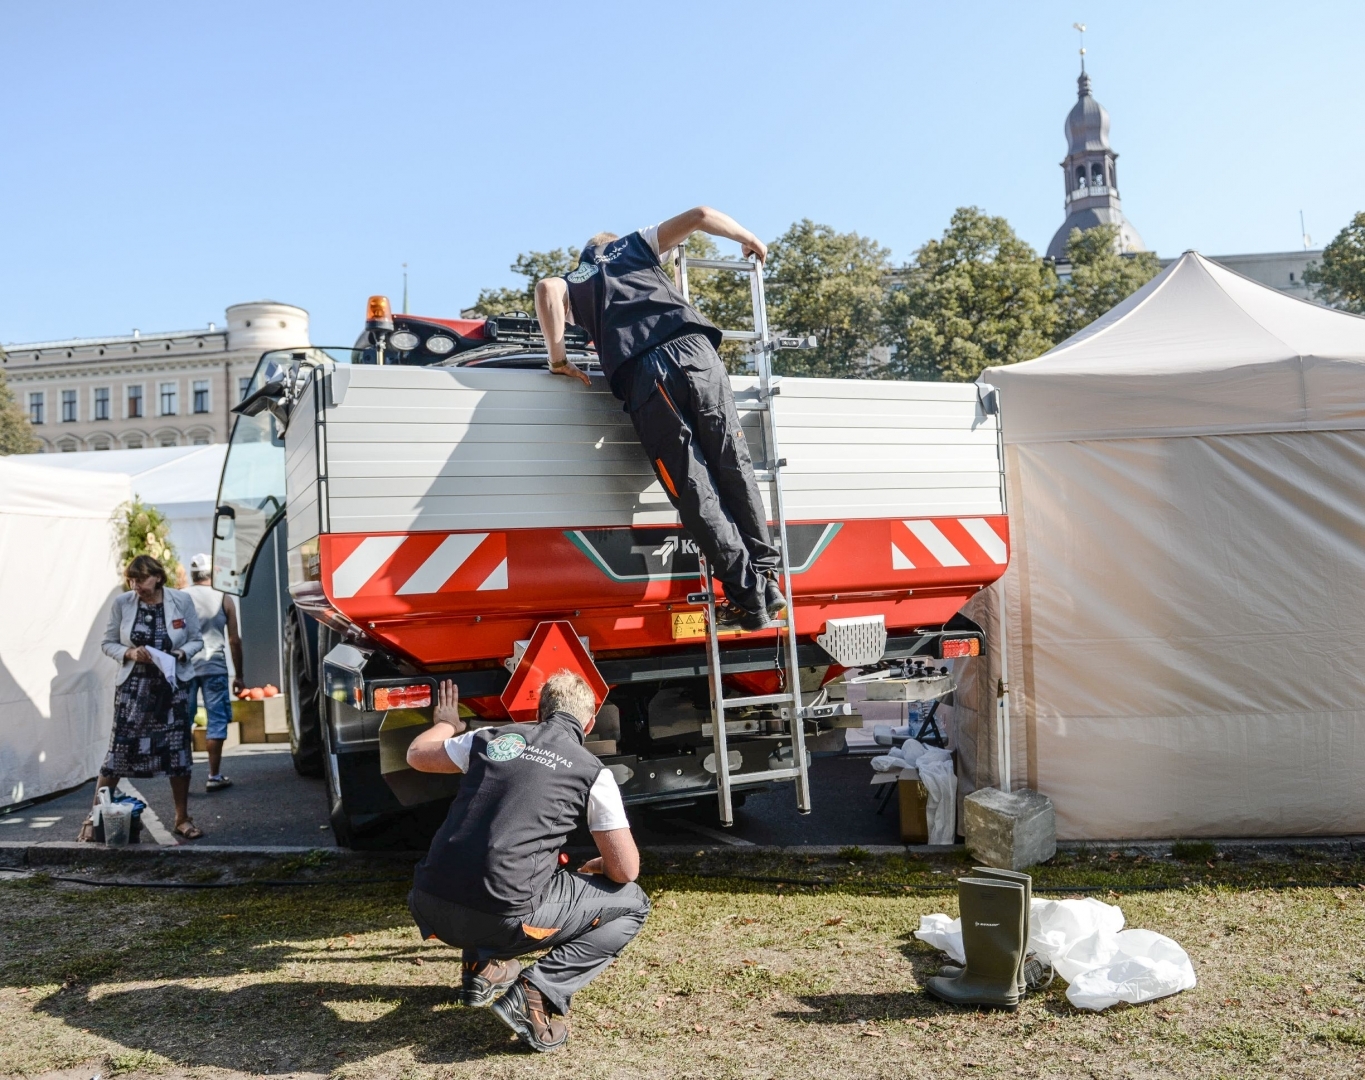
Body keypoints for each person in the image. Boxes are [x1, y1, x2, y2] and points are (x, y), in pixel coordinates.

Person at [534, 206, 785, 630]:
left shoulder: (574, 280)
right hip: (697, 353)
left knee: (693, 486)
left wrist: (558, 358)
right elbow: (702, 213)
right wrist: (750, 238)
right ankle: (768, 578)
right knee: (734, 467)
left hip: (649, 374)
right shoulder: (635, 245)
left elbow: (545, 289)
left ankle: (748, 598)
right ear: (611, 243)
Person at [405, 671, 648, 1053]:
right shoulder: (591, 772)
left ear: (539, 711)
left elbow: (417, 755)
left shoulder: (491, 739)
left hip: (428, 903)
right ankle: (536, 992)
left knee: (493, 846)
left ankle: (480, 972)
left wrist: (445, 723)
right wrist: (600, 866)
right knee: (633, 903)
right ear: (589, 721)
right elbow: (627, 870)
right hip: (499, 918)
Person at [81, 554, 205, 841]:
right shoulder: (122, 604)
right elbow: (107, 642)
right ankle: (94, 816)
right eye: (132, 580)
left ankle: (181, 818)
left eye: (141, 580)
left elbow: (196, 639)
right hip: (133, 689)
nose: (136, 586)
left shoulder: (181, 601)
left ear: (158, 577)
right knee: (118, 754)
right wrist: (129, 653)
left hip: (171, 688)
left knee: (177, 754)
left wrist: (179, 653)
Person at [185, 553, 244, 791]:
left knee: (184, 721)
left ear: (193, 574)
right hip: (215, 666)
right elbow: (234, 640)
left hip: (185, 667)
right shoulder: (224, 598)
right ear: (214, 573)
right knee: (216, 720)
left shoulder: (180, 597)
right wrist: (239, 675)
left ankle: (183, 775)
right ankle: (214, 775)